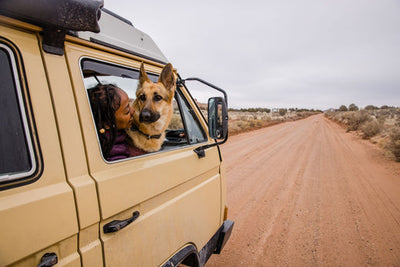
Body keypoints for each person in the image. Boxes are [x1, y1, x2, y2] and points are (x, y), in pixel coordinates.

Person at [88, 83, 145, 161]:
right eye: (127, 111)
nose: (133, 111)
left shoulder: (112, 135)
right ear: (108, 124)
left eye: (129, 103)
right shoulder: (113, 152)